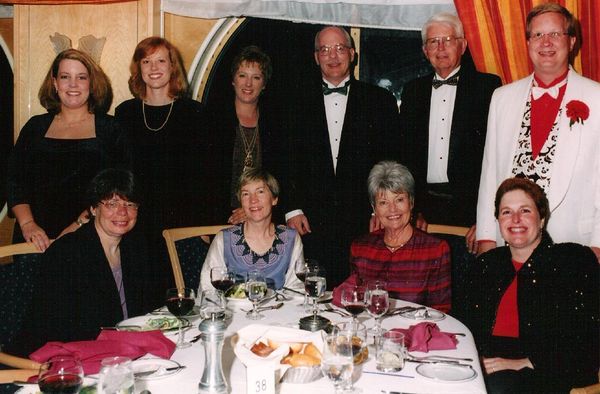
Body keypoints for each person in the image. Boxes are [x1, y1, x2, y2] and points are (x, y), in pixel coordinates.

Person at [2, 48, 124, 347]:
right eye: (65, 77)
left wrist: (79, 225)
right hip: (35, 244)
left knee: (79, 336)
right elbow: (15, 181)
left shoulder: (111, 129)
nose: (73, 84)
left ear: (91, 83)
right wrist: (29, 225)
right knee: (28, 333)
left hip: (88, 242)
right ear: (54, 83)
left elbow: (118, 187)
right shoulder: (35, 127)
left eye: (81, 77)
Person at [476, 4, 600, 261]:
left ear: (572, 41)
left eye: (555, 34)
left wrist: (598, 245)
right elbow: (490, 172)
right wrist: (487, 237)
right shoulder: (502, 97)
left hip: (575, 245)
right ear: (528, 42)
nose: (546, 43)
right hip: (509, 244)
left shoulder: (596, 98)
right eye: (538, 35)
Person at [285, 26, 400, 287]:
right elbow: (285, 159)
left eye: (339, 48)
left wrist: (380, 208)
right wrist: (292, 209)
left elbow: (390, 163)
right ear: (316, 57)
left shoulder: (380, 101)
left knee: (362, 293)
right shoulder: (294, 101)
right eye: (324, 49)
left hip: (364, 219)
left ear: (352, 53)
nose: (332, 56)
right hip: (309, 222)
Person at [464, 178, 598, 393]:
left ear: (542, 218)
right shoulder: (486, 264)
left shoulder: (572, 260)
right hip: (485, 363)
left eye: (525, 210)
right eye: (506, 212)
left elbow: (587, 338)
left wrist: (527, 361)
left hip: (546, 369)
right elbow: (464, 324)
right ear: (498, 220)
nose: (515, 219)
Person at [5, 169, 154, 357]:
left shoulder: (135, 249)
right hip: (67, 359)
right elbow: (58, 327)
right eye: (112, 203)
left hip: (122, 349)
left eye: (130, 204)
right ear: (93, 209)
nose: (123, 212)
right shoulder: (67, 252)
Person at [115, 37, 206, 296]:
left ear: (172, 66)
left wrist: (202, 228)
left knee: (184, 302)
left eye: (160, 60)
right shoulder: (125, 113)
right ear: (138, 68)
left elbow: (208, 175)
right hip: (136, 228)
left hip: (183, 228)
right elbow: (120, 174)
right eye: (146, 61)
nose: (154, 67)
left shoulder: (194, 113)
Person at [400, 12, 501, 237]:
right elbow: (406, 155)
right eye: (433, 42)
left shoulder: (488, 87)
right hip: (423, 212)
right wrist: (413, 210)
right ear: (425, 51)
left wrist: (487, 217)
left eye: (448, 40)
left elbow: (497, 157)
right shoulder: (413, 91)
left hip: (473, 210)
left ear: (463, 46)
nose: (441, 48)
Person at [332, 161, 451, 313]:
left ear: (411, 202)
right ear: (374, 208)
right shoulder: (361, 248)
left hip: (414, 333)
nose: (392, 209)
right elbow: (355, 302)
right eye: (383, 202)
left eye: (399, 200)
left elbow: (440, 312)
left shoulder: (435, 250)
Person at [203, 46, 284, 225]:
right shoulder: (212, 120)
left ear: (264, 84)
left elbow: (279, 178)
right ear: (233, 80)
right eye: (242, 76)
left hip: (263, 217)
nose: (248, 84)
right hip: (219, 219)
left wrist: (251, 211)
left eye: (256, 77)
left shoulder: (276, 125)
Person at [200, 168, 303, 292]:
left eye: (260, 192)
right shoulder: (223, 239)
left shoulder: (291, 238)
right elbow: (208, 289)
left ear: (274, 199)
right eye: (245, 194)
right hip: (234, 310)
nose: (253, 200)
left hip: (278, 310)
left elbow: (296, 289)